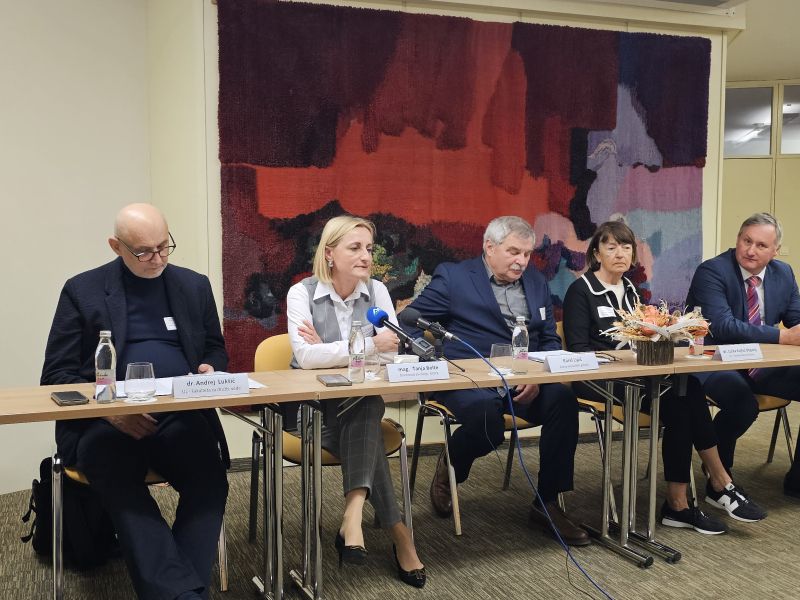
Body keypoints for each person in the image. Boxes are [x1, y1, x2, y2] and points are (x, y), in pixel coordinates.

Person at [41, 203, 229, 600]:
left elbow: (214, 347)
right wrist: (112, 412)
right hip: (106, 423)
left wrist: (210, 367)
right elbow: (56, 375)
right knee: (120, 484)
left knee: (209, 479)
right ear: (116, 246)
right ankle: (182, 594)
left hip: (179, 414)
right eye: (144, 252)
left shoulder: (194, 286)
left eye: (164, 246)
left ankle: (176, 591)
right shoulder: (83, 291)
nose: (157, 259)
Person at [563, 221, 765, 534]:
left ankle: (686, 500)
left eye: (626, 247)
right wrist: (626, 355)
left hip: (640, 375)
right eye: (611, 247)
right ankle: (710, 487)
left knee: (687, 388)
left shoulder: (631, 290)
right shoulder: (581, 290)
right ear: (596, 254)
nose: (620, 254)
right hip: (598, 379)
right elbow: (578, 351)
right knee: (677, 398)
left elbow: (642, 337)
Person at [403, 215, 589, 546]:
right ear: (490, 247)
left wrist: (538, 376)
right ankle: (452, 463)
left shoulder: (536, 283)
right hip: (468, 381)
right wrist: (431, 360)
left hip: (525, 379)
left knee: (563, 402)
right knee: (489, 422)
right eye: (514, 252)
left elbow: (548, 338)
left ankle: (546, 503)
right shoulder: (455, 277)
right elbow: (408, 321)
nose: (522, 261)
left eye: (527, 254)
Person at [286, 215, 426, 588]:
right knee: (368, 414)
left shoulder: (376, 292)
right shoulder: (301, 294)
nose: (366, 256)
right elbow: (305, 357)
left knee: (364, 403)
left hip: (356, 404)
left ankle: (353, 516)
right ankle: (398, 534)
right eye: (355, 247)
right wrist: (366, 345)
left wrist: (330, 349)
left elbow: (392, 353)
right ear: (329, 253)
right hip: (313, 413)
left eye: (369, 248)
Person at [686, 212, 800, 497]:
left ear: (775, 251)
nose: (751, 250)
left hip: (761, 363)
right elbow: (723, 326)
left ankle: (797, 480)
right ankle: (719, 479)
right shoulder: (712, 271)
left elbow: (796, 319)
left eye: (761, 245)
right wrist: (782, 336)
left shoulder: (784, 273)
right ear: (737, 239)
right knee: (742, 404)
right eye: (746, 241)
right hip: (713, 360)